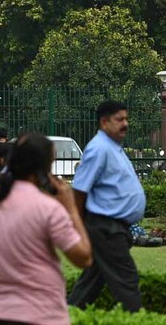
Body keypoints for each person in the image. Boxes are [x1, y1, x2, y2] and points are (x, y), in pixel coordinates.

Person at [0, 133, 92, 325]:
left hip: (1, 314)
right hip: (44, 315)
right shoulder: (47, 208)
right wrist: (71, 209)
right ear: (45, 167)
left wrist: (0, 299)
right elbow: (83, 258)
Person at [68, 100, 146, 313]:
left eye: (126, 118)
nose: (125, 124)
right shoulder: (98, 149)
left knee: (92, 280)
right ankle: (138, 318)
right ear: (104, 122)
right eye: (119, 119)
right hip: (105, 227)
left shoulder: (112, 147)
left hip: (113, 226)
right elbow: (79, 190)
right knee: (126, 279)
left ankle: (68, 315)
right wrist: (79, 226)